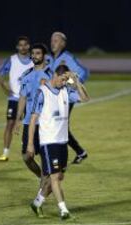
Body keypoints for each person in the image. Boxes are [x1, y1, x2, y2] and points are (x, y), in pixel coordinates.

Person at [28, 65, 90, 220]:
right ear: (55, 75)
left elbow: (85, 98)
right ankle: (63, 210)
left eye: (66, 80)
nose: (64, 82)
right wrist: (30, 143)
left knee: (57, 177)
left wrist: (76, 81)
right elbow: (33, 119)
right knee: (55, 177)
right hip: (49, 142)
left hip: (63, 142)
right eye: (63, 79)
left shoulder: (66, 90)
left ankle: (37, 203)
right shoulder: (42, 92)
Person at [48, 31, 90, 164]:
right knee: (59, 125)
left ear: (63, 43)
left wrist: (73, 84)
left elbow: (84, 72)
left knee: (59, 125)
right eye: (52, 40)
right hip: (54, 97)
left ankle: (62, 157)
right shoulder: (50, 59)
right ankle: (79, 152)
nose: (52, 42)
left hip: (66, 98)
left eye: (56, 40)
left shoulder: (68, 58)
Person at [15, 43, 53, 179]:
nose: (34, 56)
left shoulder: (51, 74)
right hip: (29, 122)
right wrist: (18, 119)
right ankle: (41, 178)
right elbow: (22, 98)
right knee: (27, 157)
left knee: (45, 158)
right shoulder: (26, 75)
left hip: (46, 123)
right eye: (33, 53)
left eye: (38, 53)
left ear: (44, 56)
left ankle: (45, 185)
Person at [0, 36, 34, 161]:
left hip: (30, 99)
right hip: (14, 99)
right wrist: (5, 89)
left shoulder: (34, 59)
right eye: (20, 45)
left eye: (25, 45)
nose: (23, 47)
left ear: (29, 46)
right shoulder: (11, 60)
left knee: (29, 124)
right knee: (10, 124)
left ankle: (27, 149)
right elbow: (0, 73)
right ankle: (5, 153)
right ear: (17, 47)